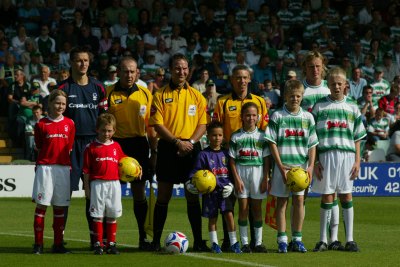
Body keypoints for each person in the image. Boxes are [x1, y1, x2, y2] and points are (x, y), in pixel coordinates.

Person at [149, 53, 209, 252]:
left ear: (189, 70)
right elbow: (157, 124)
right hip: (168, 147)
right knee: (163, 196)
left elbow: (203, 124)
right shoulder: (160, 95)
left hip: (192, 149)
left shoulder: (197, 96)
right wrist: (176, 142)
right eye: (177, 68)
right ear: (170, 70)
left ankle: (199, 241)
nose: (181, 71)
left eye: (184, 68)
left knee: (192, 196)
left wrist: (190, 142)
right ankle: (156, 242)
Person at [213, 64, 269, 251]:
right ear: (232, 80)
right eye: (238, 77)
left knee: (252, 203)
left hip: (253, 156)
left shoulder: (260, 102)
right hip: (229, 156)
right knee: (228, 201)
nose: (241, 81)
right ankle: (230, 239)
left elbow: (264, 130)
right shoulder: (223, 102)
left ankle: (254, 242)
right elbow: (216, 128)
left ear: (249, 79)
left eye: (245, 77)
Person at [312, 67, 366, 252]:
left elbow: (358, 137)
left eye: (339, 84)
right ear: (328, 85)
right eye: (333, 83)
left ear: (345, 86)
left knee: (346, 195)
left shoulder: (352, 106)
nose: (336, 86)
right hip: (326, 154)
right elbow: (313, 138)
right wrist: (316, 161)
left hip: (347, 155)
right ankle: (322, 240)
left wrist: (358, 161)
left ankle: (350, 240)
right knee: (327, 195)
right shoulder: (319, 106)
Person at [58, 46, 108, 249]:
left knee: (93, 194)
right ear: (71, 63)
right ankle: (59, 239)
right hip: (69, 147)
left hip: (93, 146)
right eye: (78, 60)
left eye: (86, 60)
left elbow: (105, 118)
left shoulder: (99, 87)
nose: (83, 64)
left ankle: (96, 239)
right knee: (65, 194)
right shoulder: (63, 89)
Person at [106, 56, 157, 251]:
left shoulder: (145, 94)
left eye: (132, 71)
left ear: (137, 73)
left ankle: (143, 237)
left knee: (139, 194)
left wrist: (154, 152)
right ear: (118, 72)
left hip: (138, 145)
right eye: (125, 71)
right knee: (110, 192)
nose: (129, 75)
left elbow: (151, 127)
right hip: (115, 145)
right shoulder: (108, 92)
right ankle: (106, 239)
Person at [265, 80, 318, 253]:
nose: (295, 99)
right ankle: (281, 239)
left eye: (298, 96)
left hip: (301, 169)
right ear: (285, 96)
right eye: (291, 96)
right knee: (281, 203)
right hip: (284, 167)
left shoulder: (308, 117)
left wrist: (310, 167)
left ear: (302, 97)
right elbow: (272, 143)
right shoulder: (278, 116)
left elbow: (312, 145)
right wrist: (280, 168)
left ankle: (297, 239)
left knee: (299, 202)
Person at [187, 121, 241, 254]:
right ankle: (214, 243)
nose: (217, 138)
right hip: (210, 192)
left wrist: (232, 185)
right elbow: (195, 172)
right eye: (214, 135)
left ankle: (234, 242)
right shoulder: (203, 154)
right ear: (208, 136)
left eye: (220, 135)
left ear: (223, 136)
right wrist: (189, 182)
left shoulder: (227, 154)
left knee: (229, 216)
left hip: (225, 191)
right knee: (212, 218)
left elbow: (234, 171)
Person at [32, 89, 76, 254]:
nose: (60, 106)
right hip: (45, 168)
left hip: (63, 168)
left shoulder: (70, 124)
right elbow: (39, 145)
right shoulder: (41, 124)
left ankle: (58, 244)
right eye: (57, 103)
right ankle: (38, 244)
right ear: (50, 104)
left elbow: (69, 147)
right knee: (42, 206)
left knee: (60, 208)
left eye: (63, 104)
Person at [83, 113, 127, 255]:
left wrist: (137, 169)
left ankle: (111, 244)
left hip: (114, 184)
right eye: (103, 130)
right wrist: (87, 189)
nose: (106, 133)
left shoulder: (116, 146)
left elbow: (126, 163)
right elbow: (86, 171)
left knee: (112, 214)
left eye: (109, 131)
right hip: (97, 184)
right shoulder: (91, 147)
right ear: (97, 129)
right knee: (98, 215)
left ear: (114, 131)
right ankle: (98, 244)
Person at [229, 102, 270, 253]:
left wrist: (265, 177)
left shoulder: (263, 136)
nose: (251, 118)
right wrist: (237, 179)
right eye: (247, 115)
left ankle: (258, 243)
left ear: (258, 117)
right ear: (242, 117)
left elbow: (266, 160)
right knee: (243, 209)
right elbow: (232, 160)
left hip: (258, 173)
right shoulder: (236, 136)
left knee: (257, 209)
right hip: (242, 173)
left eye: (253, 115)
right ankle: (245, 243)